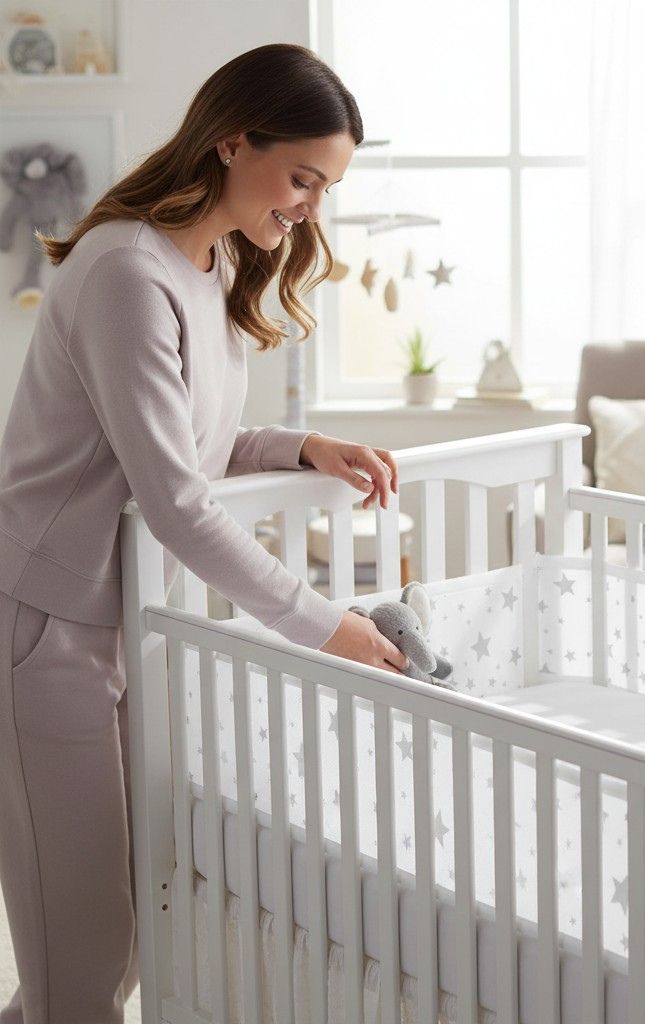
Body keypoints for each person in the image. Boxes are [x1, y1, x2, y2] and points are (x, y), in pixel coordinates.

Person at [0, 43, 409, 1022]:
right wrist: (327, 625)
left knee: (140, 910)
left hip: (131, 617)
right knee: (79, 939)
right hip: (46, 623)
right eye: (302, 178)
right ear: (231, 141)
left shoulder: (210, 261)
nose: (311, 207)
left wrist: (300, 445)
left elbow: (193, 444)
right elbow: (176, 499)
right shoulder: (125, 270)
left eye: (327, 187)